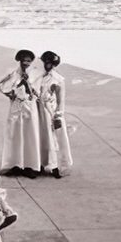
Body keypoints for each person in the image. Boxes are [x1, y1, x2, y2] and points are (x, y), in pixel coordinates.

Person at [0, 50, 41, 179]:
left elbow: (37, 93)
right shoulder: (13, 73)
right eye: (24, 60)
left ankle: (31, 166)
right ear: (19, 61)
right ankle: (15, 164)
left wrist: (29, 86)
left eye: (28, 61)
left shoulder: (35, 74)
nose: (26, 63)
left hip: (29, 106)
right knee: (14, 135)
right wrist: (11, 92)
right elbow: (2, 86)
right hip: (16, 106)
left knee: (30, 135)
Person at [35, 50, 73, 178]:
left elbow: (61, 99)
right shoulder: (40, 76)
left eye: (50, 63)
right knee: (41, 137)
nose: (47, 65)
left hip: (50, 110)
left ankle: (56, 166)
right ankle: (41, 162)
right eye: (45, 62)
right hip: (39, 109)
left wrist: (58, 114)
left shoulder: (58, 79)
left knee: (54, 138)